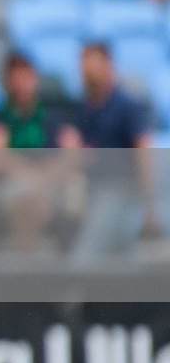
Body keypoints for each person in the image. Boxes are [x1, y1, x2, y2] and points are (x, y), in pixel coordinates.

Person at [0, 52, 79, 253]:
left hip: (53, 178)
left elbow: (72, 152)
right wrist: (28, 171)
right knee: (26, 197)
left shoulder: (52, 117)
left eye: (26, 78)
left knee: (74, 195)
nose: (22, 85)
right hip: (19, 180)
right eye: (16, 79)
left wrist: (51, 173)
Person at [70, 42, 157, 261]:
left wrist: (148, 203)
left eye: (93, 64)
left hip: (119, 191)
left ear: (108, 65)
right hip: (92, 190)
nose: (87, 71)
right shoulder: (85, 108)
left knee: (87, 257)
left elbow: (142, 152)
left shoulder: (127, 106)